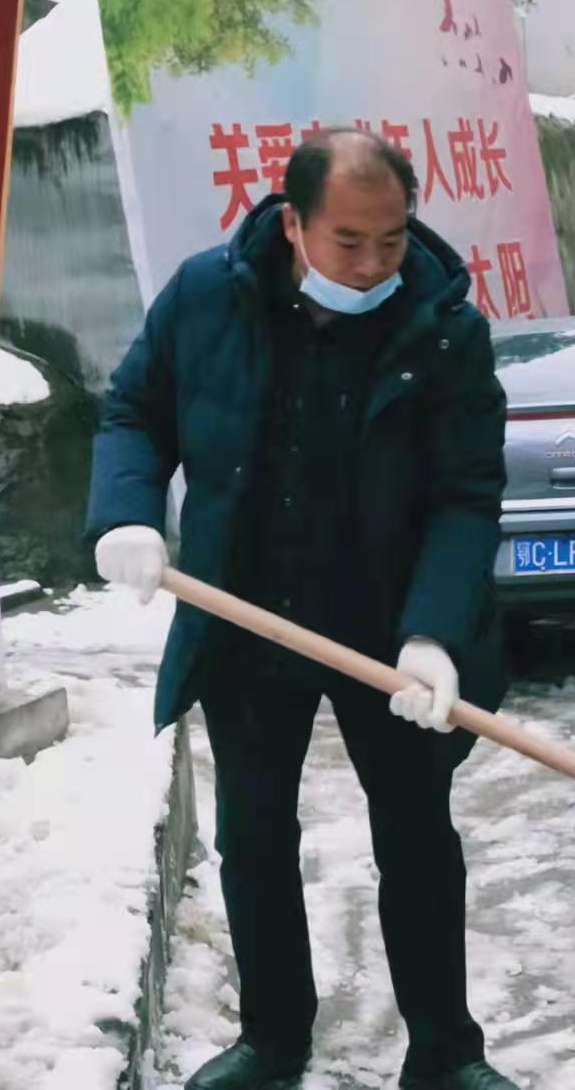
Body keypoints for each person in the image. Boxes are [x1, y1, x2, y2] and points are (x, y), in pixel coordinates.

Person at [86, 130, 517, 1090]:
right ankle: (272, 1037)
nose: (371, 265)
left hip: (387, 622)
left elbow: (465, 490)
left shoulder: (443, 327)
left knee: (415, 836)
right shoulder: (207, 297)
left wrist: (434, 633)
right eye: (347, 241)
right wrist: (124, 514)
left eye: (391, 241)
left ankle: (445, 1052)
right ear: (293, 222)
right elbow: (133, 409)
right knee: (254, 834)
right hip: (248, 611)